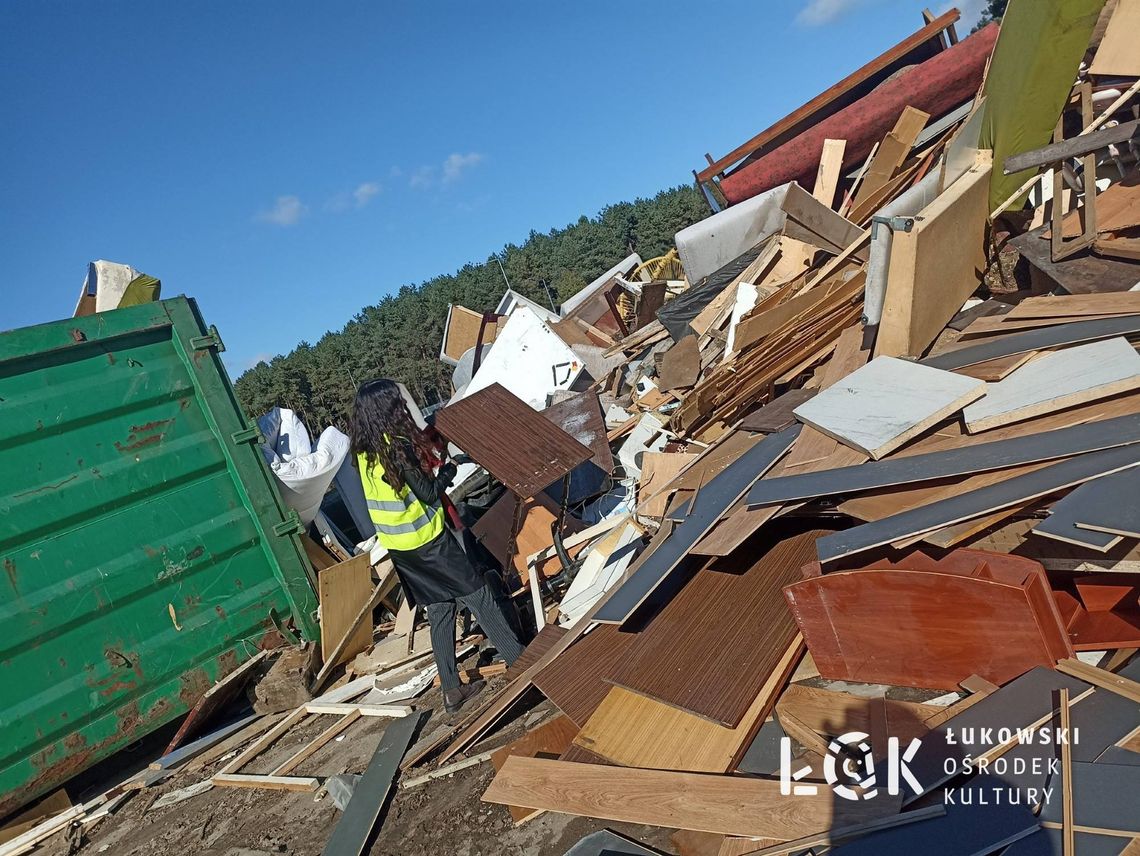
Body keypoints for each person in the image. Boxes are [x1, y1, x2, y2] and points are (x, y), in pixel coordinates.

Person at [349, 378, 525, 714]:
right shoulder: (396, 446)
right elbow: (428, 494)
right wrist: (450, 469)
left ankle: (451, 691)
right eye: (398, 401)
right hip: (429, 543)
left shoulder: (365, 452)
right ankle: (520, 662)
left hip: (402, 551)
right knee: (480, 596)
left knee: (441, 610)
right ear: (389, 408)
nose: (403, 405)